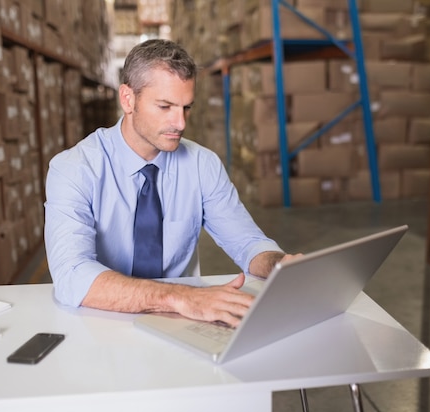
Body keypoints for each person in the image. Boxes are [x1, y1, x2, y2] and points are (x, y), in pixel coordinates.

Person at [44, 39, 296, 328]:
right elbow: (72, 274)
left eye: (186, 107)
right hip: (102, 317)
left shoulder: (203, 164)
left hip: (180, 321)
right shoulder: (74, 169)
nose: (181, 123)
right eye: (165, 106)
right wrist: (181, 298)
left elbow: (247, 243)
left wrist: (279, 264)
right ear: (128, 99)